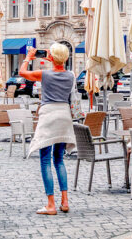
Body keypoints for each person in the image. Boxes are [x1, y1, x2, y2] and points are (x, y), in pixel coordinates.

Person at [19, 44, 76, 215]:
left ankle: (50, 204)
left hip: (49, 115)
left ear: (50, 57)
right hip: (64, 116)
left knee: (45, 160)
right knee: (59, 159)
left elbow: (22, 73)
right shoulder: (71, 75)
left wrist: (29, 57)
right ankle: (64, 201)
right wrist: (53, 59)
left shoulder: (44, 74)